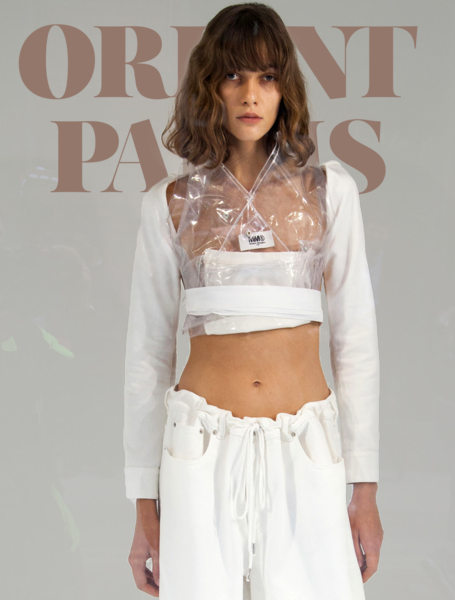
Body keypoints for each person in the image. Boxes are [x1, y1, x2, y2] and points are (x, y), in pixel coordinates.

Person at [124, 3, 384, 599]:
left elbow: (356, 344)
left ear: (285, 88)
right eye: (233, 75)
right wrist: (143, 506)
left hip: (307, 445)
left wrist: (365, 490)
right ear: (209, 86)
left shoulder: (330, 193)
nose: (250, 95)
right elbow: (147, 355)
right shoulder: (169, 204)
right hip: (198, 445)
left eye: (267, 77)